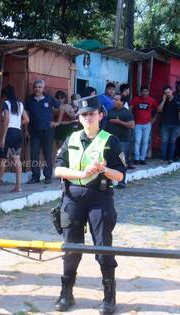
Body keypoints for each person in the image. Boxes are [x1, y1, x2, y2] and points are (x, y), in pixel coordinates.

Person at [53, 95, 126, 315]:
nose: (87, 118)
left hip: (99, 196)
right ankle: (66, 292)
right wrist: (80, 174)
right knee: (71, 247)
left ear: (100, 115)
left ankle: (109, 297)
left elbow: (121, 176)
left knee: (103, 247)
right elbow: (58, 169)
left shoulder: (110, 140)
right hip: (73, 197)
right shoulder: (71, 138)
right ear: (79, 117)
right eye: (83, 114)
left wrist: (103, 169)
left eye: (92, 114)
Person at [0, 85, 29, 193]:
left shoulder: (6, 103)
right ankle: (18, 187)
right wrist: (17, 124)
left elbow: (6, 121)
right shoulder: (19, 104)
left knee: (3, 160)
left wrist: (2, 138)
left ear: (5, 95)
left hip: (9, 133)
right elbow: (26, 119)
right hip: (18, 132)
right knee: (16, 159)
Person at [25, 79, 61, 184]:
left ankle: (48, 176)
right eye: (35, 87)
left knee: (47, 154)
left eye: (40, 87)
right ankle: (35, 176)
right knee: (34, 154)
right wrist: (26, 130)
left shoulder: (49, 98)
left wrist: (57, 122)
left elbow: (61, 107)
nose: (37, 89)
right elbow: (26, 114)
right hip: (34, 131)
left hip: (47, 131)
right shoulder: (29, 100)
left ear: (43, 88)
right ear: (33, 88)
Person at [106, 94, 134, 188]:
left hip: (123, 141)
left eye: (117, 100)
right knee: (109, 160)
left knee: (122, 160)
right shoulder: (110, 111)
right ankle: (108, 181)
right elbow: (107, 125)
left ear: (122, 102)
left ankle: (122, 182)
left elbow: (131, 125)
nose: (114, 101)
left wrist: (119, 122)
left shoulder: (126, 112)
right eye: (114, 99)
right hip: (111, 140)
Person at [158, 86, 180, 163]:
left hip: (175, 124)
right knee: (164, 142)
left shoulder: (177, 100)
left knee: (173, 142)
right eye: (166, 93)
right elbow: (159, 110)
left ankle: (170, 158)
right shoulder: (163, 100)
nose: (168, 94)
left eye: (169, 92)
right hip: (164, 124)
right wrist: (163, 100)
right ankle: (162, 158)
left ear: (171, 91)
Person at [130, 86, 158, 164]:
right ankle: (136, 158)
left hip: (147, 124)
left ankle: (142, 158)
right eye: (143, 91)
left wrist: (154, 119)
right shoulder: (136, 99)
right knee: (137, 141)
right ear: (141, 92)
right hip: (137, 124)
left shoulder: (152, 100)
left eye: (146, 91)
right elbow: (130, 109)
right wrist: (132, 119)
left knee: (145, 142)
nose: (144, 93)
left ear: (148, 92)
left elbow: (157, 110)